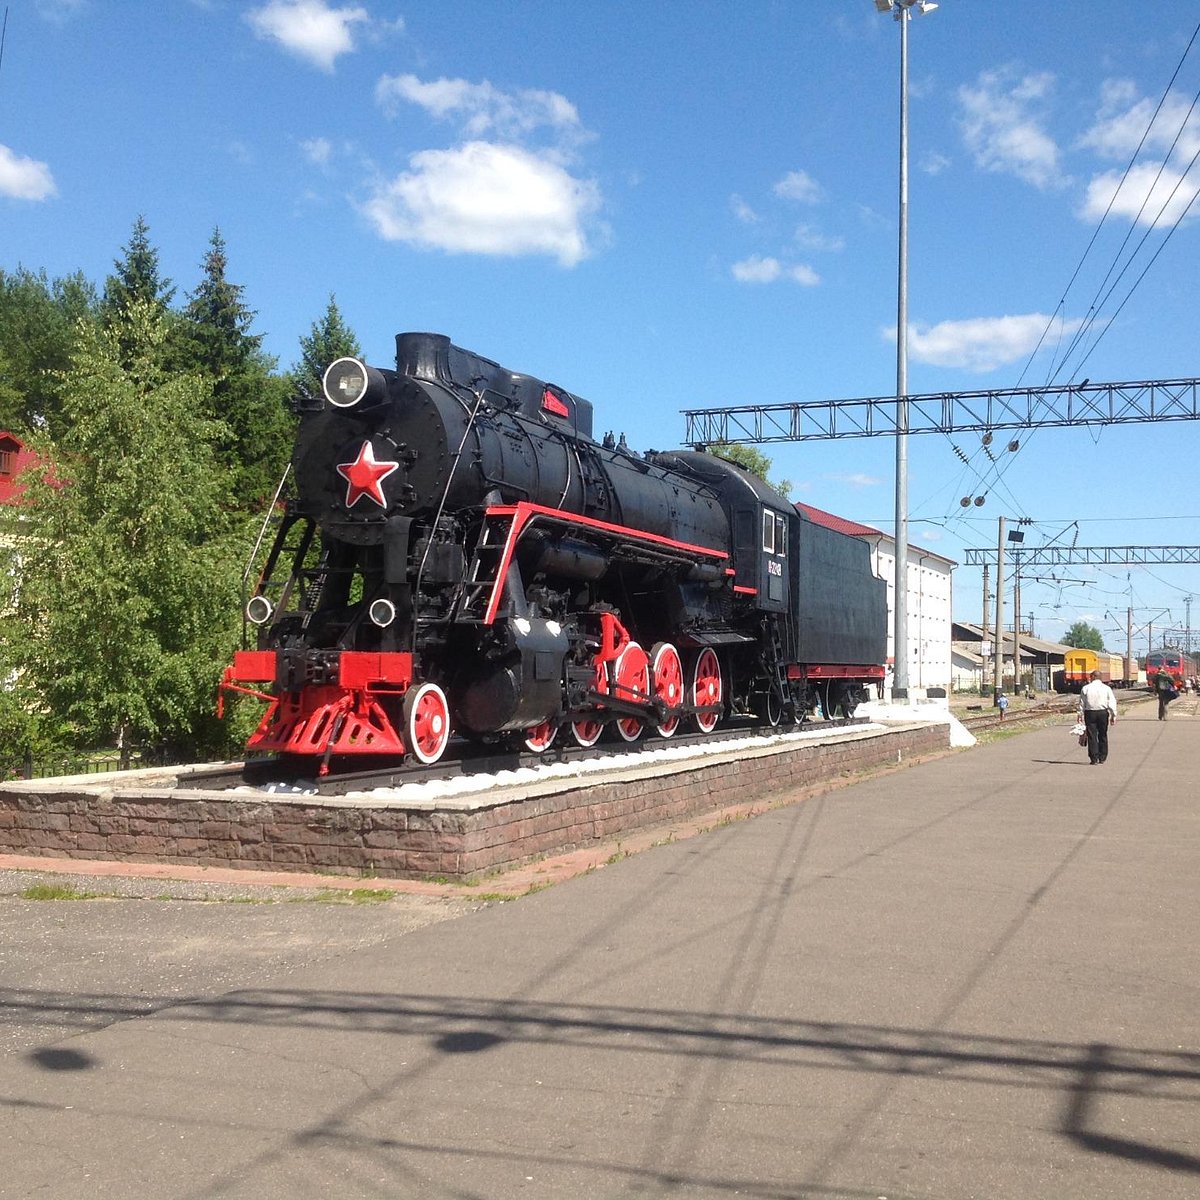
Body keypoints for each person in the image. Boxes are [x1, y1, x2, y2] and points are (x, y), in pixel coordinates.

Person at [1078, 668, 1117, 765]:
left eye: (1090, 676)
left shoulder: (1086, 688)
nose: (1089, 678)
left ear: (1094, 677)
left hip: (1090, 713)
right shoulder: (1106, 688)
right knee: (1103, 734)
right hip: (1103, 713)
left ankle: (1094, 758)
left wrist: (1080, 714)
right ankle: (1102, 757)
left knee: (1092, 736)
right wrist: (1113, 715)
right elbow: (1112, 702)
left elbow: (1082, 703)